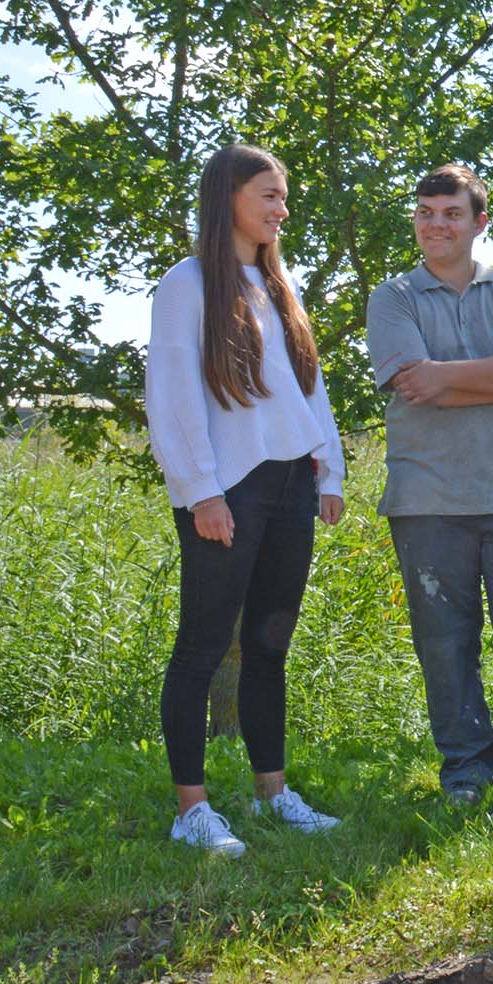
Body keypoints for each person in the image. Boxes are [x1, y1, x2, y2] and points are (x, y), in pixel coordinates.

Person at [146, 142, 347, 856]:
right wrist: (201, 491)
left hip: (292, 483)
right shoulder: (188, 284)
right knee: (201, 646)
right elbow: (171, 398)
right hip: (228, 488)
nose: (281, 209)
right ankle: (191, 809)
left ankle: (272, 793)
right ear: (228, 195)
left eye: (283, 196)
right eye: (269, 194)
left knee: (269, 646)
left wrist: (330, 470)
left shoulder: (275, 285)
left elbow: (308, 388)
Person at [364, 164, 493, 814]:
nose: (435, 224)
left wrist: (454, 379)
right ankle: (465, 777)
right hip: (427, 502)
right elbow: (412, 384)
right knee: (446, 649)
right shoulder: (392, 297)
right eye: (425, 212)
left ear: (479, 222)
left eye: (450, 213)